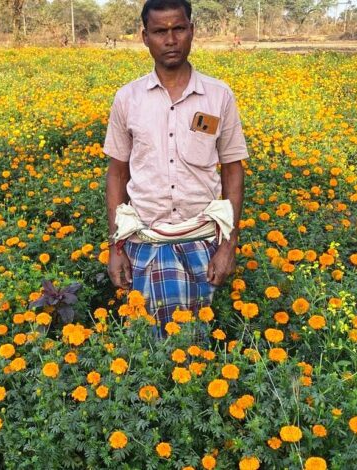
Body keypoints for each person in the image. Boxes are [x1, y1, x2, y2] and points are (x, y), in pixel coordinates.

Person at [103, 0, 248, 337]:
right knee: (147, 352)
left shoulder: (217, 96)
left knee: (199, 353)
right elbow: (117, 174)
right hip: (144, 242)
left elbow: (232, 169)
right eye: (160, 31)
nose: (170, 39)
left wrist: (228, 245)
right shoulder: (128, 98)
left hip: (202, 243)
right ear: (145, 37)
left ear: (192, 31)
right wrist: (116, 247)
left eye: (178, 29)